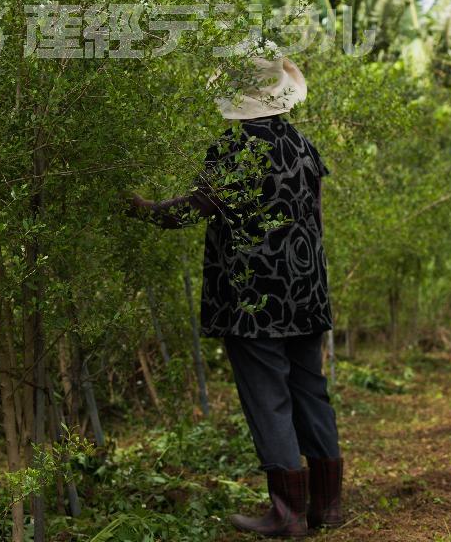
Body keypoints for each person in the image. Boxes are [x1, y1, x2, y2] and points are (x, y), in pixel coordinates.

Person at [127, 50, 343, 539]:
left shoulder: (235, 148)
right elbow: (315, 218)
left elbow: (189, 211)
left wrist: (139, 207)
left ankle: (287, 514)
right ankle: (327, 508)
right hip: (306, 292)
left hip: (253, 302)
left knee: (268, 397)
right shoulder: (303, 146)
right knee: (311, 390)